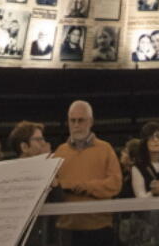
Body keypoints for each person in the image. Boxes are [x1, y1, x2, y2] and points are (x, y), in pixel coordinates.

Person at [53, 100, 122, 245]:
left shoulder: (106, 149)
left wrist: (86, 187)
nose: (76, 125)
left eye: (81, 120)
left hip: (100, 229)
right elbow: (53, 186)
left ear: (90, 121)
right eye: (72, 120)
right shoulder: (60, 152)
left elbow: (115, 184)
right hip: (67, 230)